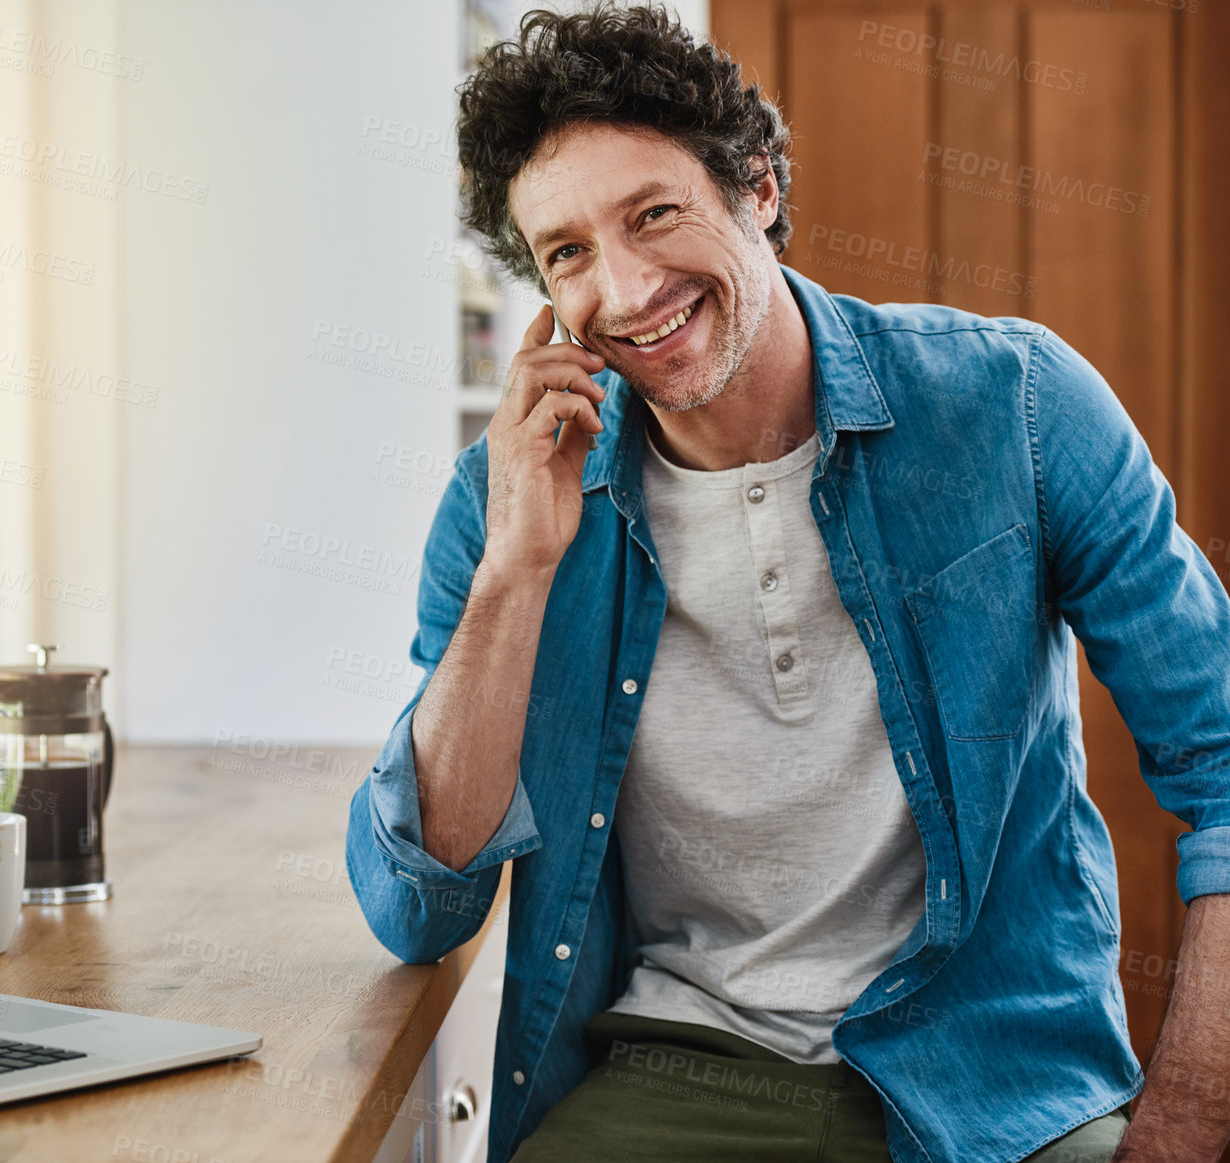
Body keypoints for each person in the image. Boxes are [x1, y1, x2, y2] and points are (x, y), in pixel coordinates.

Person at [343, 5, 1230, 1162]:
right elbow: (420, 907)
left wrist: (1185, 1127)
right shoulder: (506, 494)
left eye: (653, 213)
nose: (622, 288)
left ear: (757, 188)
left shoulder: (1013, 405)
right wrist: (516, 570)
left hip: (993, 1084)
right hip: (669, 1068)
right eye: (566, 253)